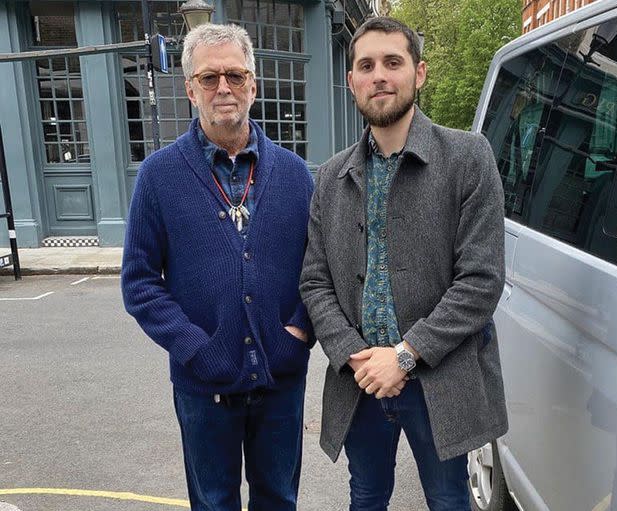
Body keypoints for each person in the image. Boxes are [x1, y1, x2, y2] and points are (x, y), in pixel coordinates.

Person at [300, 16, 507, 511]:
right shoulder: (330, 178)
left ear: (420, 73)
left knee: (448, 500)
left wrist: (406, 355)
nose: (379, 76)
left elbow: (480, 282)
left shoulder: (467, 158)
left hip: (439, 377)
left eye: (393, 62)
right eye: (366, 65)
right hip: (362, 380)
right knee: (366, 498)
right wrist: (356, 355)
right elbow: (314, 282)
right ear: (351, 81)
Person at [121, 23, 313, 511]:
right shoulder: (158, 176)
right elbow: (140, 283)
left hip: (280, 382)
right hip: (203, 388)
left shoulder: (294, 175)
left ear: (253, 84)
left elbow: (323, 269)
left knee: (279, 499)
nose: (223, 87)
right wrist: (196, 349)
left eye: (234, 75)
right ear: (190, 90)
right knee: (212, 503)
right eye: (209, 78)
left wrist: (298, 334)